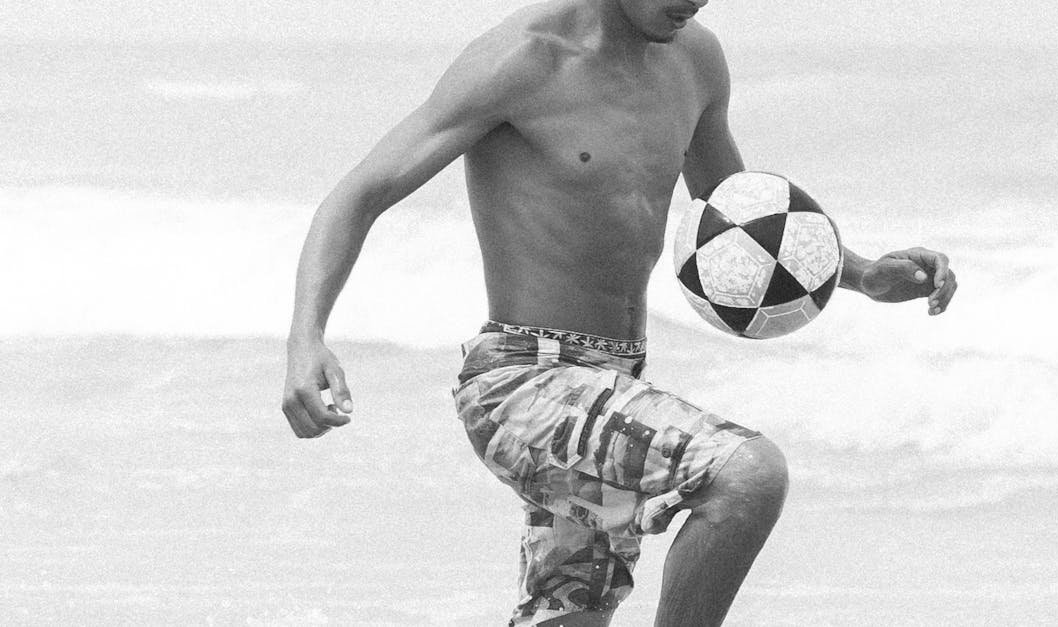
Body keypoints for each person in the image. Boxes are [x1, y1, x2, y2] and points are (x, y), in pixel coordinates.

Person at [281, 1, 958, 625]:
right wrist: (306, 338)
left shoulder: (696, 60)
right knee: (748, 473)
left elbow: (737, 218)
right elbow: (359, 193)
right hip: (523, 382)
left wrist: (863, 274)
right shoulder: (523, 59)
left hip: (615, 381)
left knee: (572, 614)